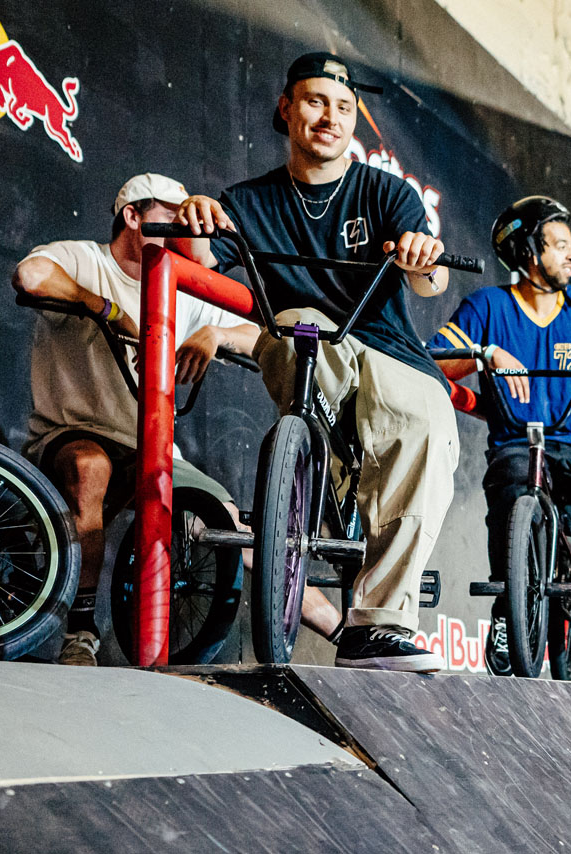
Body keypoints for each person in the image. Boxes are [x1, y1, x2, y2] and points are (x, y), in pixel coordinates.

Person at [169, 52, 457, 672]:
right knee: (303, 321)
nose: (331, 117)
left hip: (388, 350)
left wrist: (421, 257)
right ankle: (327, 469)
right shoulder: (249, 201)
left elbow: (431, 281)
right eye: (316, 101)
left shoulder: (385, 192)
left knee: (428, 423)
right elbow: (200, 260)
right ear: (287, 108)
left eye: (344, 107)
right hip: (301, 338)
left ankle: (379, 626)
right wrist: (195, 214)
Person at [12, 173, 343, 665]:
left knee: (231, 522)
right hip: (73, 433)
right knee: (89, 468)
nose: (183, 228)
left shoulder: (178, 281)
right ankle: (80, 632)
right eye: (171, 216)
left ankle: (346, 634)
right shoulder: (87, 259)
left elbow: (261, 334)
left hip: (153, 445)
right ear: (133, 215)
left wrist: (215, 333)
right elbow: (31, 275)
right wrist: (104, 308)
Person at [432, 196, 571, 684]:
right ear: (528, 252)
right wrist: (486, 354)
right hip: (516, 445)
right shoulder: (488, 306)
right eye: (559, 245)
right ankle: (506, 613)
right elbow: (435, 363)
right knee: (512, 488)